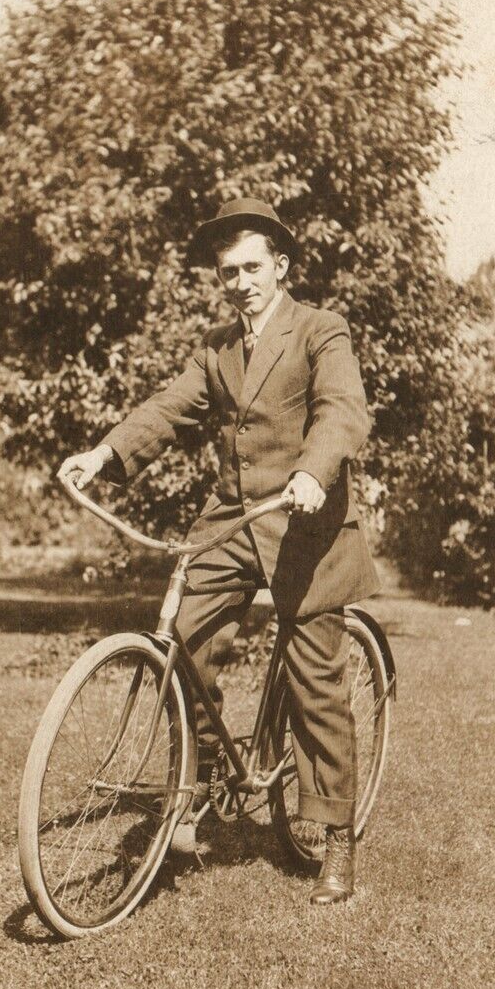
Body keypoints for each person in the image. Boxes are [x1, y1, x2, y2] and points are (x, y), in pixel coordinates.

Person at [58, 197, 378, 905]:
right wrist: (104, 451)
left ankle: (333, 839)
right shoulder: (216, 348)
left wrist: (310, 471)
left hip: (303, 523)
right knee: (182, 646)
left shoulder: (320, 331)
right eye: (228, 271)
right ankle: (193, 790)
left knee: (313, 681)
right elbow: (169, 409)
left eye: (252, 267)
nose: (240, 282)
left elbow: (341, 410)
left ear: (281, 266)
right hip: (233, 522)